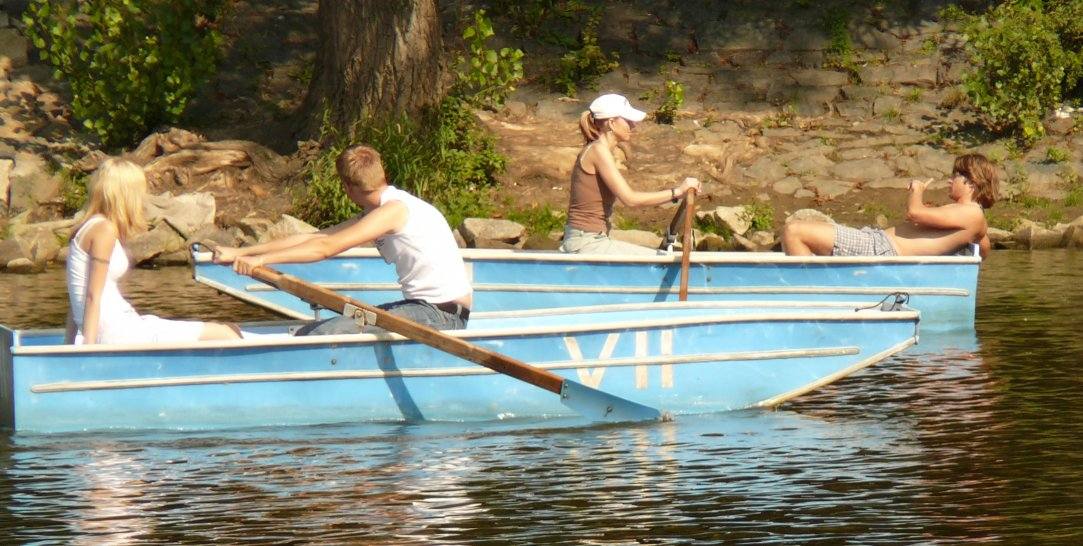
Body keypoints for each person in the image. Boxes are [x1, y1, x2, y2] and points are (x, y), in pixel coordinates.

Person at [214, 144, 472, 335]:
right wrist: (242, 254)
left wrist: (262, 260)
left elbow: (325, 248)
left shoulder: (394, 211)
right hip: (422, 308)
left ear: (347, 188)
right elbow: (317, 237)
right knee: (317, 329)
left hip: (442, 315)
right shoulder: (383, 209)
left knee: (322, 334)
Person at [64, 158, 242, 345]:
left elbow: (75, 294)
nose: (142, 200)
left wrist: (67, 343)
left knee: (231, 328)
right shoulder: (104, 230)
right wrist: (88, 349)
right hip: (118, 332)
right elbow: (92, 295)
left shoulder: (85, 227)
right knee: (227, 333)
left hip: (124, 326)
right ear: (125, 195)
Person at [781, 153, 999, 259]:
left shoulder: (970, 213)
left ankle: (811, 293)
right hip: (878, 244)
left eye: (956, 176)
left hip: (880, 249)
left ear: (972, 181)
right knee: (799, 233)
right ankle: (816, 285)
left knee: (795, 231)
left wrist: (917, 190)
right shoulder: (972, 219)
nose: (950, 180)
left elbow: (915, 213)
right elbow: (983, 247)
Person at [561, 93, 702, 255]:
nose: (633, 126)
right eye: (628, 121)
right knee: (660, 261)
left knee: (659, 258)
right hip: (585, 244)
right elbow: (630, 199)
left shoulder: (600, 150)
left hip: (590, 240)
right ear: (612, 123)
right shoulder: (598, 151)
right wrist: (677, 192)